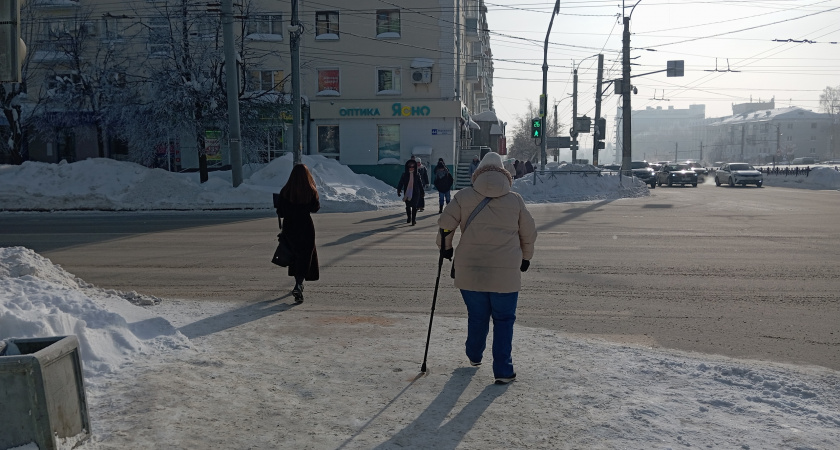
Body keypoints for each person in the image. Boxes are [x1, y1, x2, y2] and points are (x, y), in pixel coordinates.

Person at [437, 152, 537, 385]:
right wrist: (526, 258)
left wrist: (446, 248)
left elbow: (445, 226)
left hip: (470, 269)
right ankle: (503, 369)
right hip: (506, 273)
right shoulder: (515, 201)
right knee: (504, 320)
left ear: (478, 173)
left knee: (477, 315)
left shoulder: (463, 196)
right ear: (504, 174)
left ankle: (474, 354)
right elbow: (529, 233)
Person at [276, 164, 320, 303]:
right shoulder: (311, 190)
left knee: (294, 255)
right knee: (305, 255)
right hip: (305, 226)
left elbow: (281, 212)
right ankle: (299, 284)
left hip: (290, 226)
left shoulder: (285, 191)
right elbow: (315, 208)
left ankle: (298, 283)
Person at [396, 159, 425, 226]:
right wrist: (399, 190)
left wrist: (422, 192)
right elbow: (401, 183)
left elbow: (420, 184)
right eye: (410, 167)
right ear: (407, 167)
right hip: (407, 192)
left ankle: (413, 219)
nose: (411, 168)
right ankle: (409, 217)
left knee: (414, 206)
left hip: (415, 192)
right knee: (408, 206)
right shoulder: (404, 175)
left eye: (413, 167)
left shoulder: (417, 175)